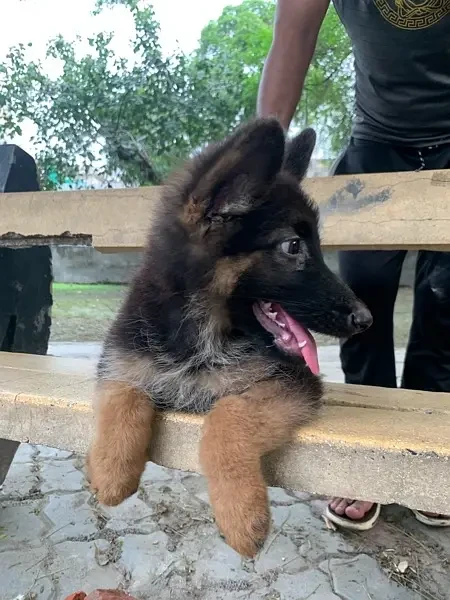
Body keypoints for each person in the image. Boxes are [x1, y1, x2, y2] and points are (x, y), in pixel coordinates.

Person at [257, 0, 450, 530]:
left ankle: (430, 457)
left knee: (446, 298)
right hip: (379, 140)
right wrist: (260, 161)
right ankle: (367, 456)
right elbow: (293, 36)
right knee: (358, 297)